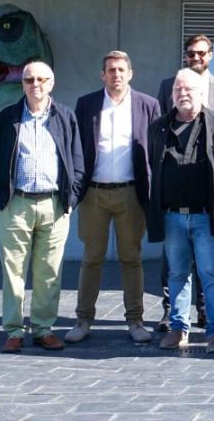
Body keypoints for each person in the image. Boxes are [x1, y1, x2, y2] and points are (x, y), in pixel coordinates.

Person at [0, 60, 83, 353]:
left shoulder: (65, 117)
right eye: (29, 80)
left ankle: (42, 328)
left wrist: (71, 198)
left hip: (54, 204)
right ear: (21, 84)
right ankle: (13, 330)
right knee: (13, 271)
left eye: (41, 79)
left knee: (49, 271)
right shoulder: (7, 118)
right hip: (16, 204)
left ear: (51, 83)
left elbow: (78, 163)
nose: (35, 85)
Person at [67, 51, 161, 345]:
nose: (116, 74)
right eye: (110, 70)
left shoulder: (148, 105)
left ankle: (135, 321)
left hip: (131, 194)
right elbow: (76, 149)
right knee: (91, 258)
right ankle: (83, 320)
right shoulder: (87, 104)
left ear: (130, 73)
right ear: (102, 75)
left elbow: (158, 153)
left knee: (131, 259)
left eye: (121, 69)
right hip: (94, 193)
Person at [146, 68, 214, 354]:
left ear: (200, 93)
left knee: (212, 275)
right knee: (177, 274)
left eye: (188, 90)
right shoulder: (159, 126)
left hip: (205, 215)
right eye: (178, 90)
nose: (182, 94)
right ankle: (178, 327)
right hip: (171, 216)